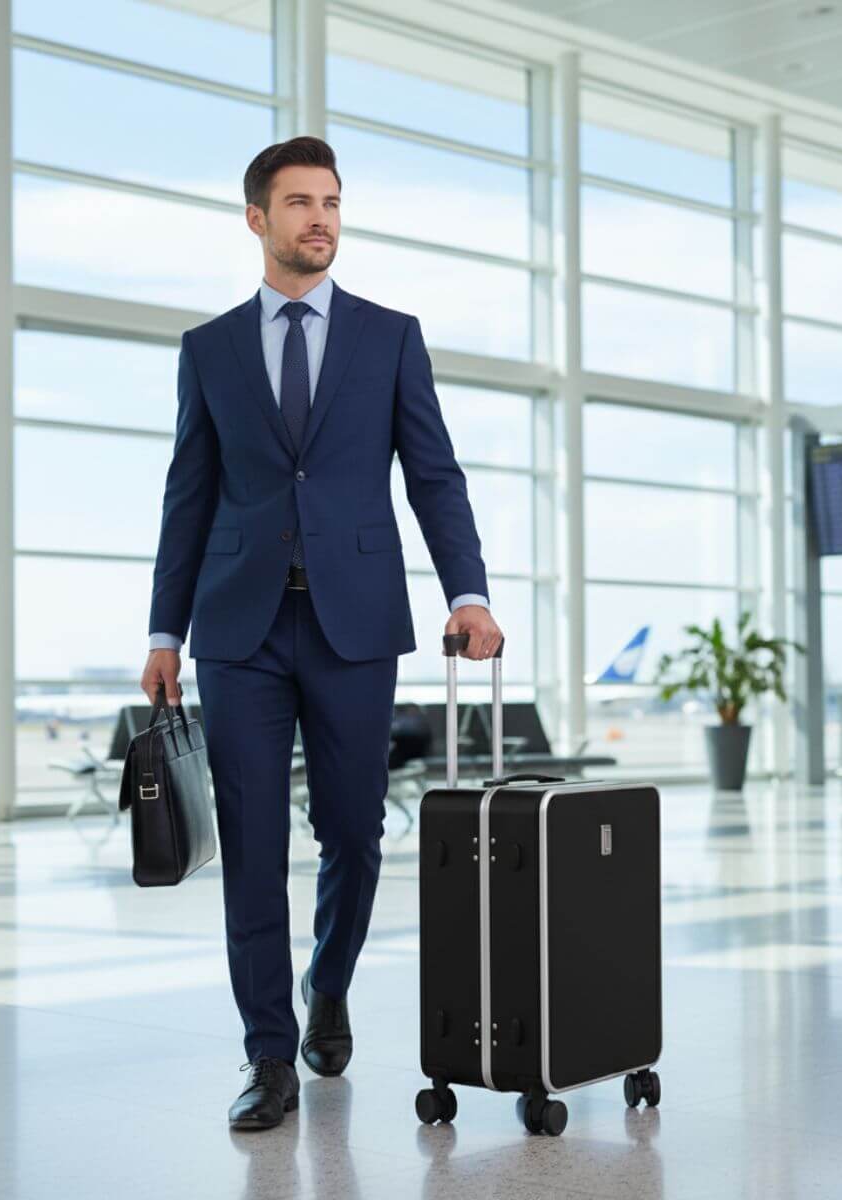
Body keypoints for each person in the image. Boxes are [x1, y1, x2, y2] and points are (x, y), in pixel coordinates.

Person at [139, 136, 502, 1131]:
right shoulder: (210, 350)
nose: (321, 220)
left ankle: (327, 984)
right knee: (252, 845)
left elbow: (434, 474)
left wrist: (466, 592)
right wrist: (166, 628)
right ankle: (267, 1055)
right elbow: (189, 495)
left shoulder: (390, 337)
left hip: (354, 621)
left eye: (333, 203)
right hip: (238, 628)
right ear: (257, 219)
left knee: (352, 830)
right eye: (300, 203)